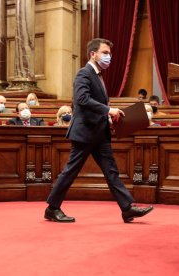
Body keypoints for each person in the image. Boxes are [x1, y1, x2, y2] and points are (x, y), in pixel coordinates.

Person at [45, 38, 153, 223]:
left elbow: (96, 104)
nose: (108, 57)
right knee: (70, 171)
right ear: (93, 54)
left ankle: (127, 208)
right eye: (105, 53)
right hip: (85, 133)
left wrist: (109, 116)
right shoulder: (84, 73)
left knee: (111, 171)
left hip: (99, 133)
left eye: (110, 54)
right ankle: (52, 208)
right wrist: (108, 110)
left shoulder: (98, 75)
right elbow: (82, 99)